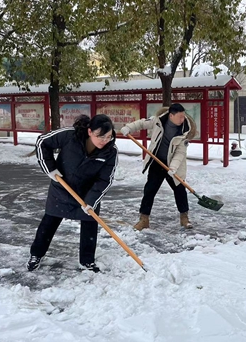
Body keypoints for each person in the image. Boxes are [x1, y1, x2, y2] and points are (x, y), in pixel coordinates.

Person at [27, 114, 118, 272]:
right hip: (61, 187)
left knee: (90, 224)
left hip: (87, 193)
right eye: (100, 136)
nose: (105, 141)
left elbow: (105, 180)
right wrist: (50, 169)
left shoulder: (110, 152)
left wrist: (91, 201)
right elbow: (42, 142)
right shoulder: (71, 135)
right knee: (48, 223)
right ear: (90, 131)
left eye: (108, 137)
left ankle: (87, 260)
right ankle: (36, 254)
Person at [120, 103, 196, 231]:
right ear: (171, 115)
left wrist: (173, 168)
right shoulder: (158, 121)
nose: (183, 119)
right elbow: (142, 123)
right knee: (150, 190)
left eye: (184, 116)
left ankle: (184, 217)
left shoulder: (185, 131)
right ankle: (144, 219)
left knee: (180, 190)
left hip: (173, 165)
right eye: (180, 117)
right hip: (157, 162)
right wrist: (128, 128)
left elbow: (180, 153)